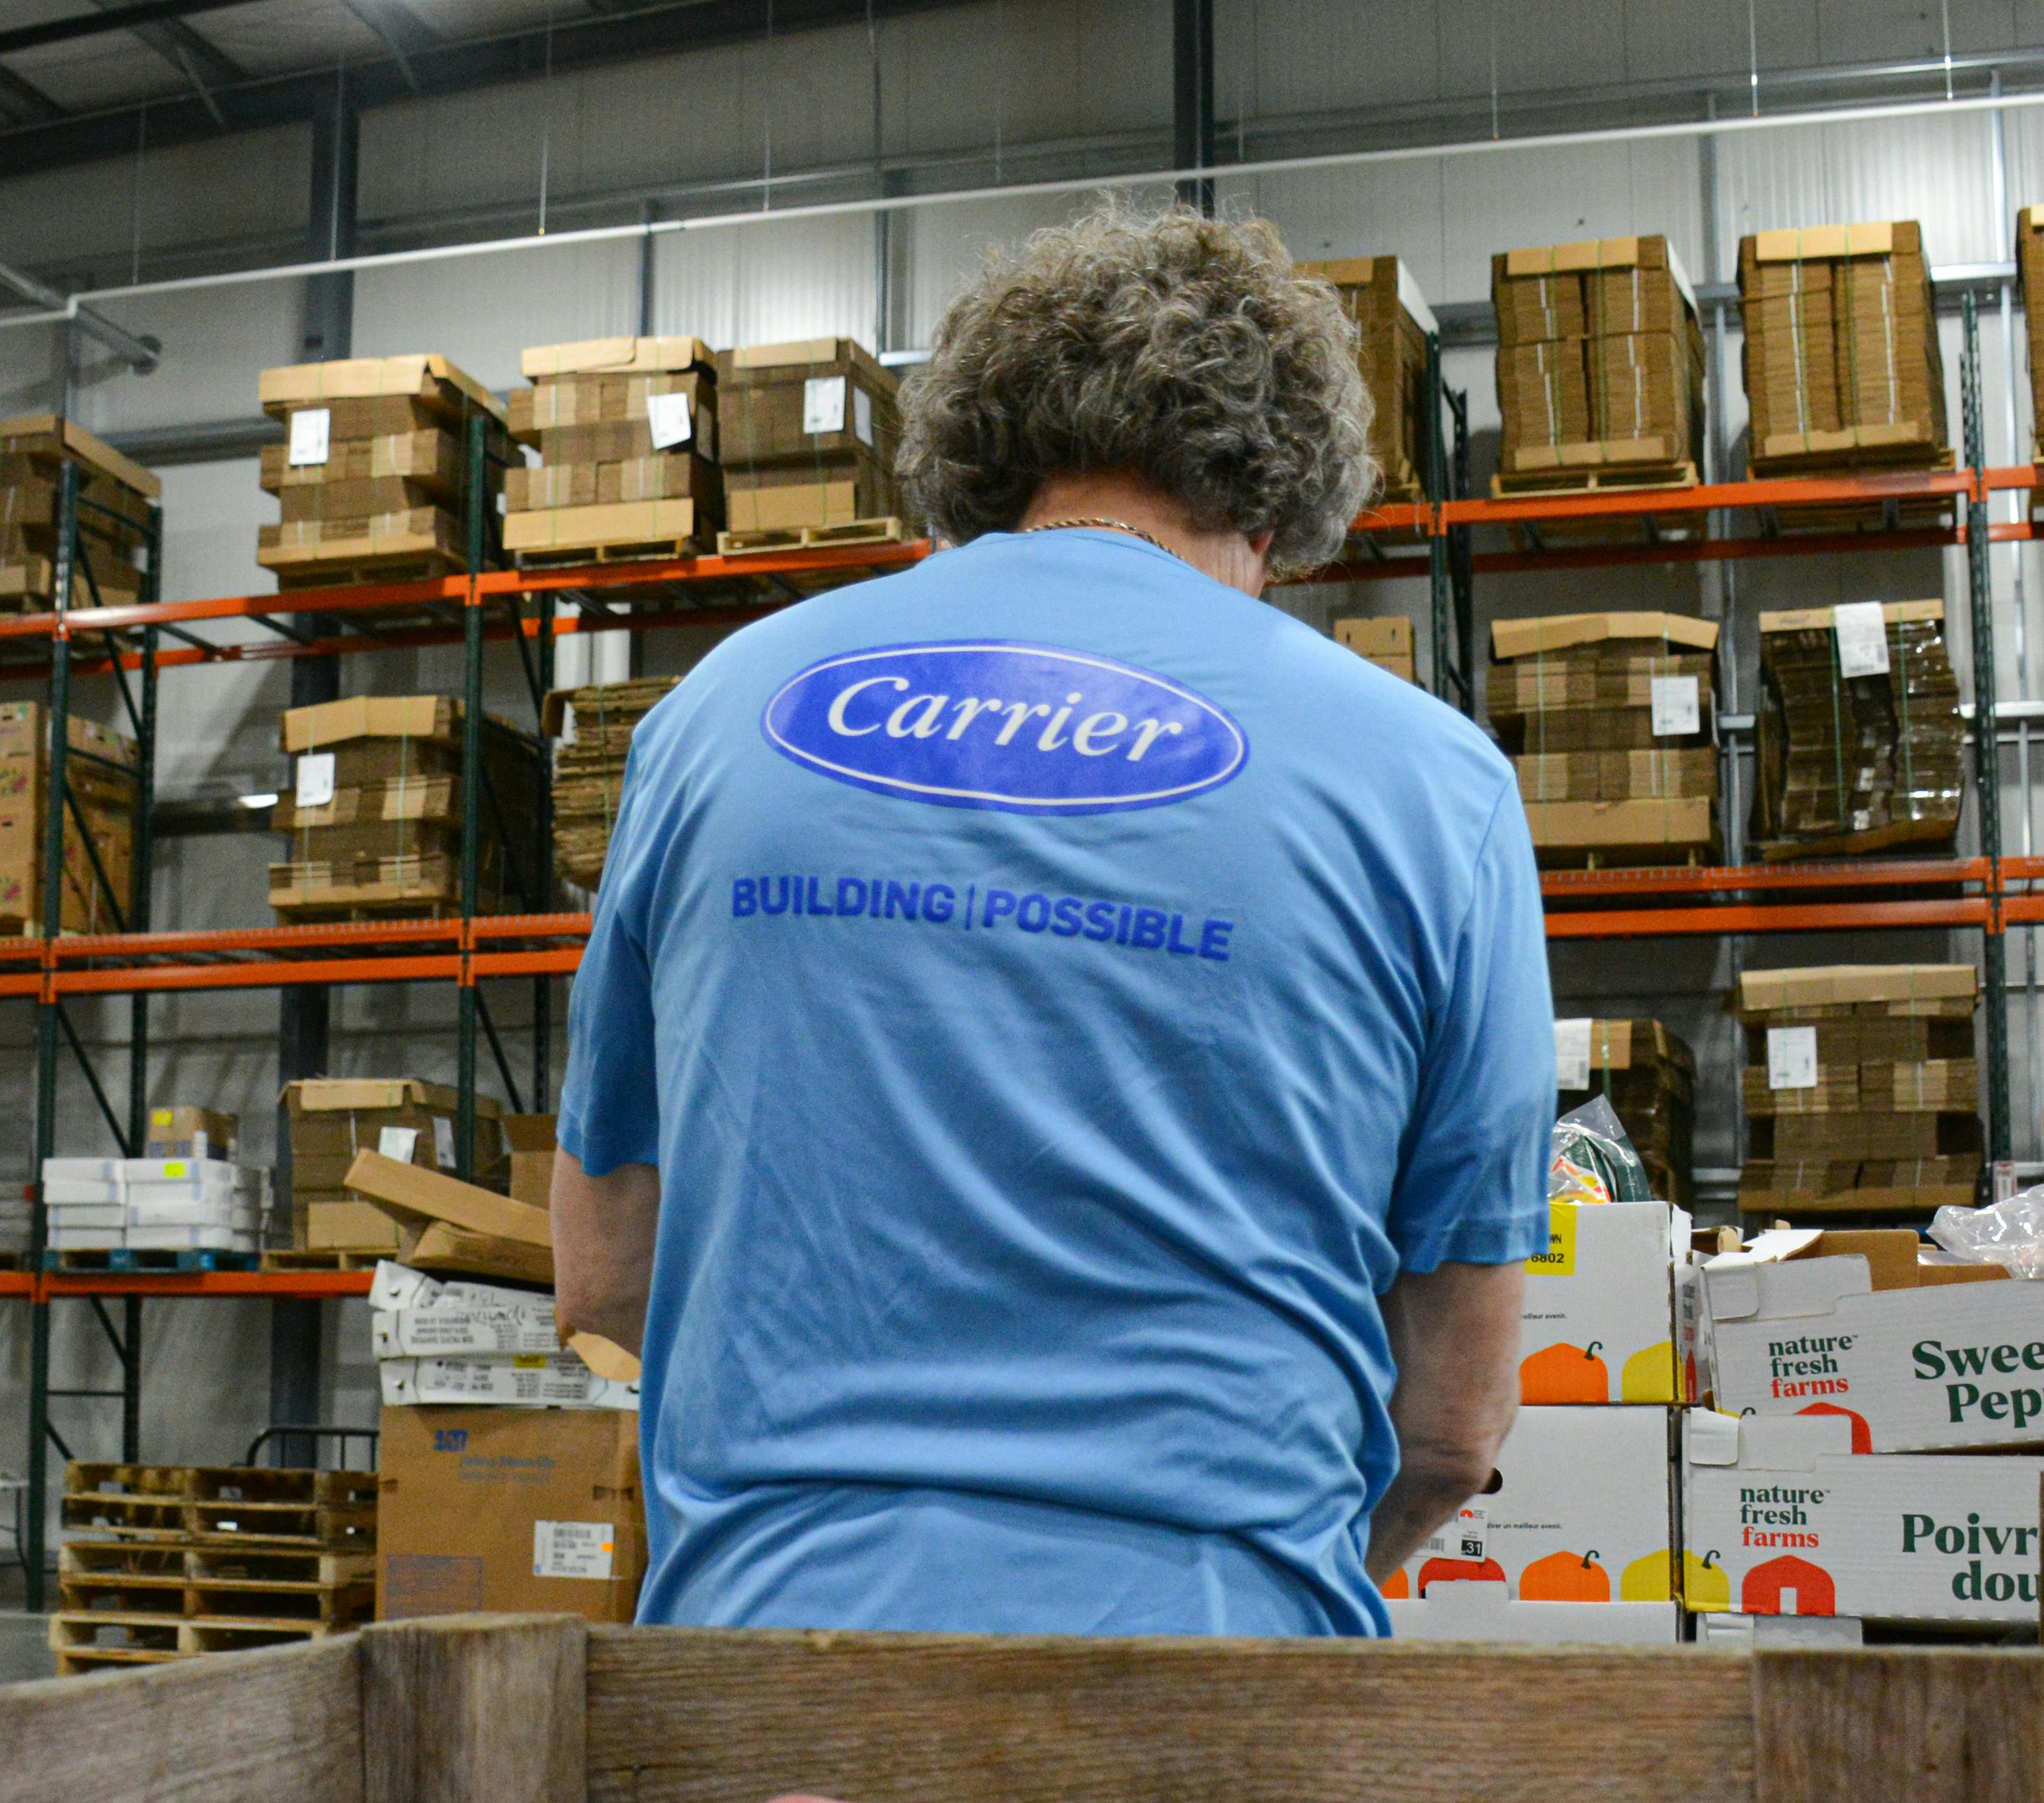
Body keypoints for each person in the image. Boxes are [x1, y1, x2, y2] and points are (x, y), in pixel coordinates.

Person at [549, 201, 1552, 1635]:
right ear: (1279, 504)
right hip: (1220, 1670)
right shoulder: (1431, 777)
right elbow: (1452, 1425)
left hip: (764, 1656)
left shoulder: (715, 711)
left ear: (984, 460)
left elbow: (606, 1272)